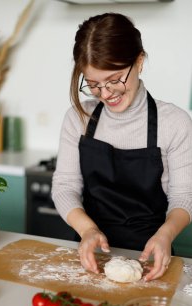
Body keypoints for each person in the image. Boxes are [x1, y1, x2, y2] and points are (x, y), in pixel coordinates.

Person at [51, 12, 192, 281]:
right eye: (93, 84)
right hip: (89, 251)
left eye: (115, 79)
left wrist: (166, 234)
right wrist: (88, 231)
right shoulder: (78, 118)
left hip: (151, 255)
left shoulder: (174, 123)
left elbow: (185, 196)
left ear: (139, 61)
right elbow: (65, 186)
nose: (105, 94)